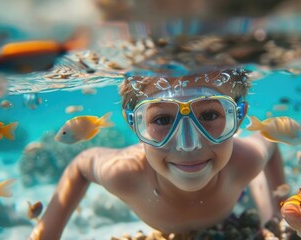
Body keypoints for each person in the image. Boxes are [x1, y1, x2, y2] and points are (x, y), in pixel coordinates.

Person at [29, 68, 286, 239]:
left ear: (238, 118)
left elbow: (270, 141)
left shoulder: (245, 160)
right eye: (163, 120)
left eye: (209, 115)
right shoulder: (124, 173)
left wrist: (272, 220)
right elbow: (81, 165)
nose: (188, 145)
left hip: (236, 183)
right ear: (134, 124)